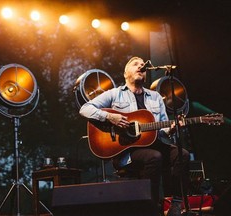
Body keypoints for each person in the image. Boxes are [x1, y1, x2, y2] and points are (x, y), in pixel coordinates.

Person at [79, 56, 190, 216]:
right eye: (135, 64)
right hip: (126, 151)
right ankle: (150, 208)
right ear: (126, 74)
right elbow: (85, 109)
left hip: (153, 144)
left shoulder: (156, 97)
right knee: (155, 157)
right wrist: (110, 117)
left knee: (182, 154)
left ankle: (176, 204)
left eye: (142, 65)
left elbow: (163, 128)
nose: (140, 66)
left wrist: (172, 129)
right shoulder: (115, 94)